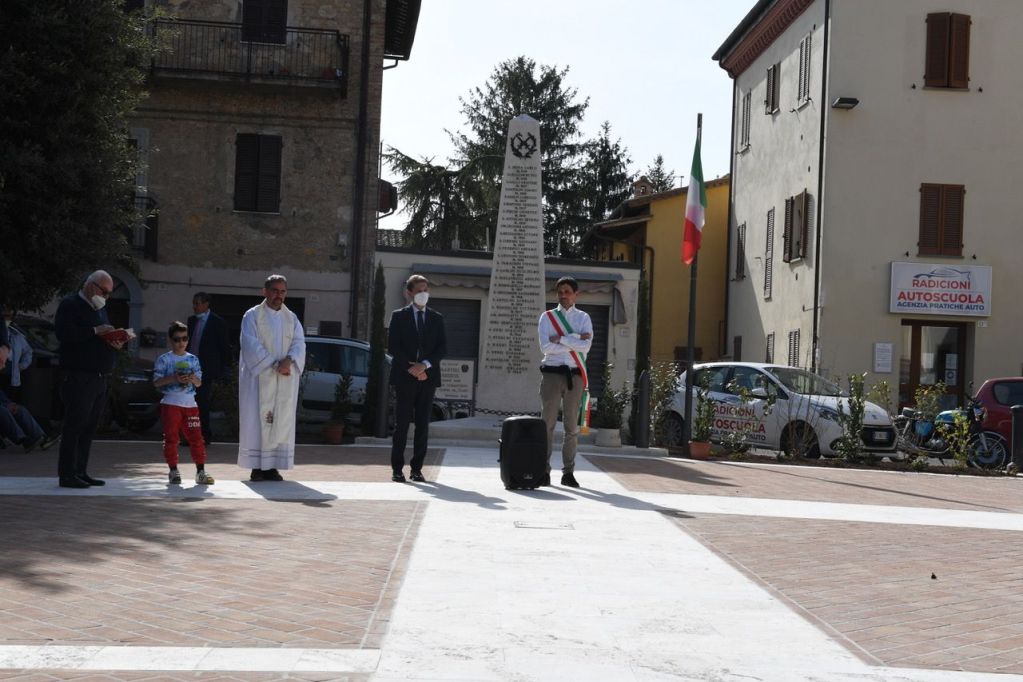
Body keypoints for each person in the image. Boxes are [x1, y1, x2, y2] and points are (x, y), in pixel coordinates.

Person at [54, 270, 125, 488]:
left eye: (109, 293)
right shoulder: (70, 305)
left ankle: (80, 471)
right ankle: (67, 474)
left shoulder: (100, 310)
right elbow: (65, 335)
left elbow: (99, 336)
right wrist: (95, 330)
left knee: (89, 427)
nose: (106, 297)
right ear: (91, 286)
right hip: (78, 376)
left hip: (98, 378)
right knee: (75, 425)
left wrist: (114, 341)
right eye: (104, 292)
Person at [237, 274, 305, 481]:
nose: (279, 295)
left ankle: (273, 466)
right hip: (259, 379)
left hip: (283, 378)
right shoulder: (252, 315)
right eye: (275, 290)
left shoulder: (291, 317)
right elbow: (250, 344)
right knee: (258, 421)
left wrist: (289, 360)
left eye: (282, 291)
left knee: (280, 419)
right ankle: (257, 467)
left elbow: (299, 342)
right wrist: (273, 363)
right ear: (264, 291)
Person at [388, 274, 446, 482]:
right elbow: (393, 346)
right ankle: (397, 469)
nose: (424, 294)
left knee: (423, 424)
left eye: (426, 290)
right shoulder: (399, 316)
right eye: (419, 290)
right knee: (401, 424)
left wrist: (425, 366)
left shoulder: (436, 318)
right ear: (409, 293)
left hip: (428, 378)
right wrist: (411, 368)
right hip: (405, 377)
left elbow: (442, 348)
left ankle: (416, 469)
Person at [537, 276, 593, 488]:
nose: (563, 295)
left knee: (571, 426)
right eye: (560, 291)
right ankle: (543, 470)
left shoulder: (584, 318)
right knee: (547, 425)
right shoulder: (547, 317)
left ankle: (568, 472)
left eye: (567, 291)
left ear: (575, 294)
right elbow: (545, 347)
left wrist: (560, 339)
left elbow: (586, 347)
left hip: (575, 375)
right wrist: (574, 340)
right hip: (551, 373)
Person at [153, 321, 215, 485]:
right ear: (170, 340)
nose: (181, 343)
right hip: (171, 404)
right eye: (177, 339)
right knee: (172, 439)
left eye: (184, 338)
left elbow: (199, 383)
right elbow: (156, 382)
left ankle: (200, 472)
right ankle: (173, 471)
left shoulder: (193, 359)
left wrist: (192, 378)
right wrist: (174, 378)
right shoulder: (164, 359)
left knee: (197, 438)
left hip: (190, 404)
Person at [187, 292, 231, 445]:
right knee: (188, 402)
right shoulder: (192, 321)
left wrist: (224, 369)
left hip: (206, 369)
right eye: (194, 303)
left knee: (201, 402)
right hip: (189, 369)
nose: (195, 307)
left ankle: (203, 435)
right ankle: (190, 435)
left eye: (197, 303)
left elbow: (224, 347)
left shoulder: (217, 322)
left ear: (206, 304)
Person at [1, 308, 33, 395]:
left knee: (11, 403)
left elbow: (28, 351)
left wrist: (22, 365)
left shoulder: (17, 336)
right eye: (4, 316)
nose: (6, 319)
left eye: (9, 317)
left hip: (12, 378)